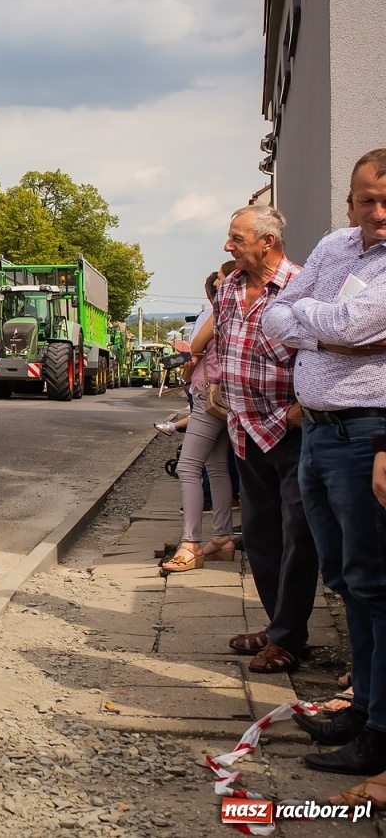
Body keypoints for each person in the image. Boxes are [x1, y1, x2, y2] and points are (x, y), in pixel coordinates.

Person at [263, 148, 386, 778]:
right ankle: (361, 706)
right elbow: (275, 319)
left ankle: (380, 728)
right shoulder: (338, 246)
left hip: (368, 432)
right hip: (318, 430)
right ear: (351, 198)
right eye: (366, 200)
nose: (377, 213)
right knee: (343, 576)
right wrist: (329, 329)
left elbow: (355, 319)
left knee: (375, 583)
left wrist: (316, 322)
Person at [214, 203, 317, 675]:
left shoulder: (302, 285)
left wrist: (304, 408)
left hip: (291, 429)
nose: (228, 246)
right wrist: (217, 380)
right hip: (244, 428)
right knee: (259, 534)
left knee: (299, 534)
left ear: (267, 243)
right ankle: (280, 627)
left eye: (236, 238)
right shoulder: (230, 286)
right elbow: (222, 342)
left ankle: (288, 637)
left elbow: (317, 349)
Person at [158, 268, 237, 573]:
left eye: (220, 284)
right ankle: (221, 539)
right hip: (229, 393)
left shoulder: (219, 311)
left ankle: (190, 544)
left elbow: (194, 351)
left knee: (188, 466)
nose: (217, 289)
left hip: (208, 393)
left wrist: (189, 362)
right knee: (217, 467)